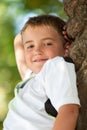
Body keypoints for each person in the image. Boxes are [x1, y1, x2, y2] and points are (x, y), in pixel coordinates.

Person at [3, 14, 80, 130]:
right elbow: (18, 40)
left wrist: (68, 31)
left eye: (48, 43)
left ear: (66, 48)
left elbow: (70, 111)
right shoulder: (30, 77)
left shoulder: (56, 66)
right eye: (30, 46)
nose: (37, 51)